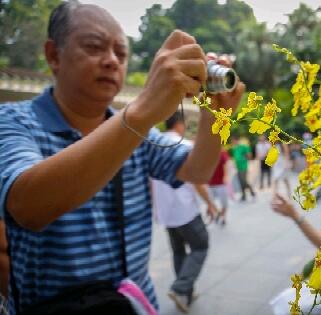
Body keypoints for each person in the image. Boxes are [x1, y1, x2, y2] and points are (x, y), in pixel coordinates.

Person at [0, 2, 244, 314]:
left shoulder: (137, 131)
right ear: (53, 55)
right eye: (94, 47)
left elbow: (197, 170)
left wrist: (217, 116)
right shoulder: (12, 122)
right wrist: (143, 111)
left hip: (135, 305)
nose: (112, 61)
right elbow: (27, 206)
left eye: (121, 53)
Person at [151, 112, 217, 313]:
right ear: (180, 124)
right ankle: (180, 288)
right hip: (185, 210)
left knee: (179, 251)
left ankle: (186, 293)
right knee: (201, 245)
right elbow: (197, 181)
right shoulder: (185, 146)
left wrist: (155, 208)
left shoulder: (155, 146)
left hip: (166, 212)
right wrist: (210, 204)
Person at [208, 148, 230, 225]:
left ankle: (223, 217)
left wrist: (226, 176)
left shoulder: (222, 152)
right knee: (210, 202)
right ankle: (218, 213)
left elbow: (226, 164)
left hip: (221, 183)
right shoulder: (206, 152)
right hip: (210, 183)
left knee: (224, 203)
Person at [230, 136, 256, 202]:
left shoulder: (243, 147)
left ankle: (252, 193)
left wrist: (245, 158)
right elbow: (235, 157)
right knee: (240, 182)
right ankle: (243, 196)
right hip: (238, 167)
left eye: (233, 141)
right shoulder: (234, 148)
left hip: (243, 166)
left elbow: (249, 154)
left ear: (236, 140)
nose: (233, 142)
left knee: (244, 181)